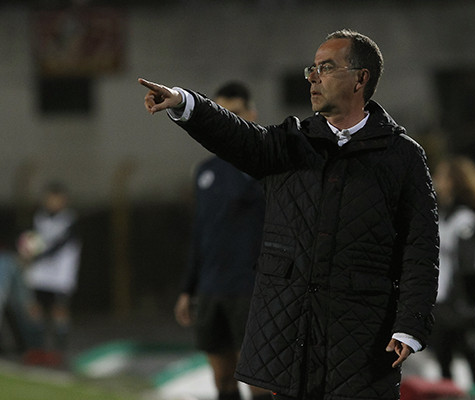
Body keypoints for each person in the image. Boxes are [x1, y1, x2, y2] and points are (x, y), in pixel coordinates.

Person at [140, 29, 439, 400]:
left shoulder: (402, 156)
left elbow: (421, 247)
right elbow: (237, 135)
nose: (313, 78)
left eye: (326, 68)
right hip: (292, 336)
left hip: (363, 340)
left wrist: (410, 323)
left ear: (360, 78)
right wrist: (185, 103)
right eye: (312, 68)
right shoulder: (291, 142)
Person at [173, 81, 270, 400]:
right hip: (211, 289)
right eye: (221, 114)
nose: (227, 122)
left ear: (252, 114)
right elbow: (201, 232)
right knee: (222, 379)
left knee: (259, 381)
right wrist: (188, 288)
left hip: (251, 290)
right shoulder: (204, 171)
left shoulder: (266, 167)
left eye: (235, 114)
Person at [429, 156, 475, 386]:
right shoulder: (442, 216)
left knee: (471, 357)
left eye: (441, 176)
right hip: (443, 299)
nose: (435, 180)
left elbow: (468, 264)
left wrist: (462, 303)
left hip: (461, 301)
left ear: (453, 182)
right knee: (444, 357)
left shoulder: (465, 220)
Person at [19, 181, 81, 366]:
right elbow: (27, 237)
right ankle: (36, 349)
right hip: (39, 275)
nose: (53, 203)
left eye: (57, 199)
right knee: (35, 310)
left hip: (60, 276)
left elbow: (60, 245)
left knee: (59, 311)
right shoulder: (38, 218)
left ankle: (59, 352)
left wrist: (37, 255)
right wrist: (25, 248)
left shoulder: (70, 220)